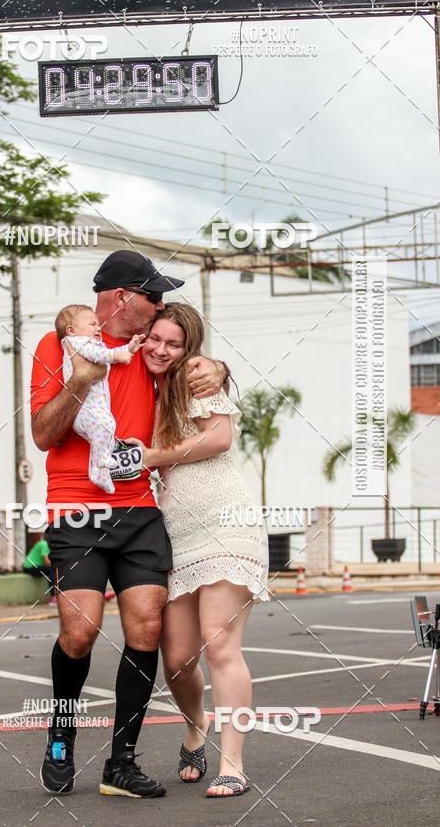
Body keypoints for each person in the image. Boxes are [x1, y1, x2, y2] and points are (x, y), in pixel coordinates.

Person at [30, 250, 227, 799]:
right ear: (124, 298)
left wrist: (219, 368)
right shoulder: (59, 344)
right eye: (154, 296)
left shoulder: (149, 349)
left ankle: (121, 762)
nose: (162, 306)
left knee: (144, 628)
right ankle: (61, 740)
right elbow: (45, 434)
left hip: (139, 511)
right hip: (76, 509)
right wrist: (81, 378)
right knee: (80, 630)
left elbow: (196, 368)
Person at [127, 303, 269, 798]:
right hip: (178, 535)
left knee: (220, 641)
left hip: (230, 523)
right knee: (179, 659)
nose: (161, 350)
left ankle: (233, 765)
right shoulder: (140, 380)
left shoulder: (196, 378)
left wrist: (154, 458)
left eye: (174, 344)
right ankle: (196, 725)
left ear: (191, 351)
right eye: (156, 339)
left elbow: (221, 437)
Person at [55, 303, 145, 493]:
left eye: (98, 324)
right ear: (71, 330)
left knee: (104, 438)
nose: (98, 328)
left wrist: (129, 348)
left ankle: (99, 473)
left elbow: (106, 353)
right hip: (87, 411)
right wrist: (119, 356)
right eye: (92, 324)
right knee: (106, 426)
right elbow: (100, 355)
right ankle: (101, 462)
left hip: (92, 412)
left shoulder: (92, 345)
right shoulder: (77, 343)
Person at [23, 533, 56, 606]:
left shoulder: (48, 546)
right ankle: (53, 598)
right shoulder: (43, 544)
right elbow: (47, 562)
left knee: (53, 570)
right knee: (51, 570)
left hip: (37, 566)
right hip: (29, 567)